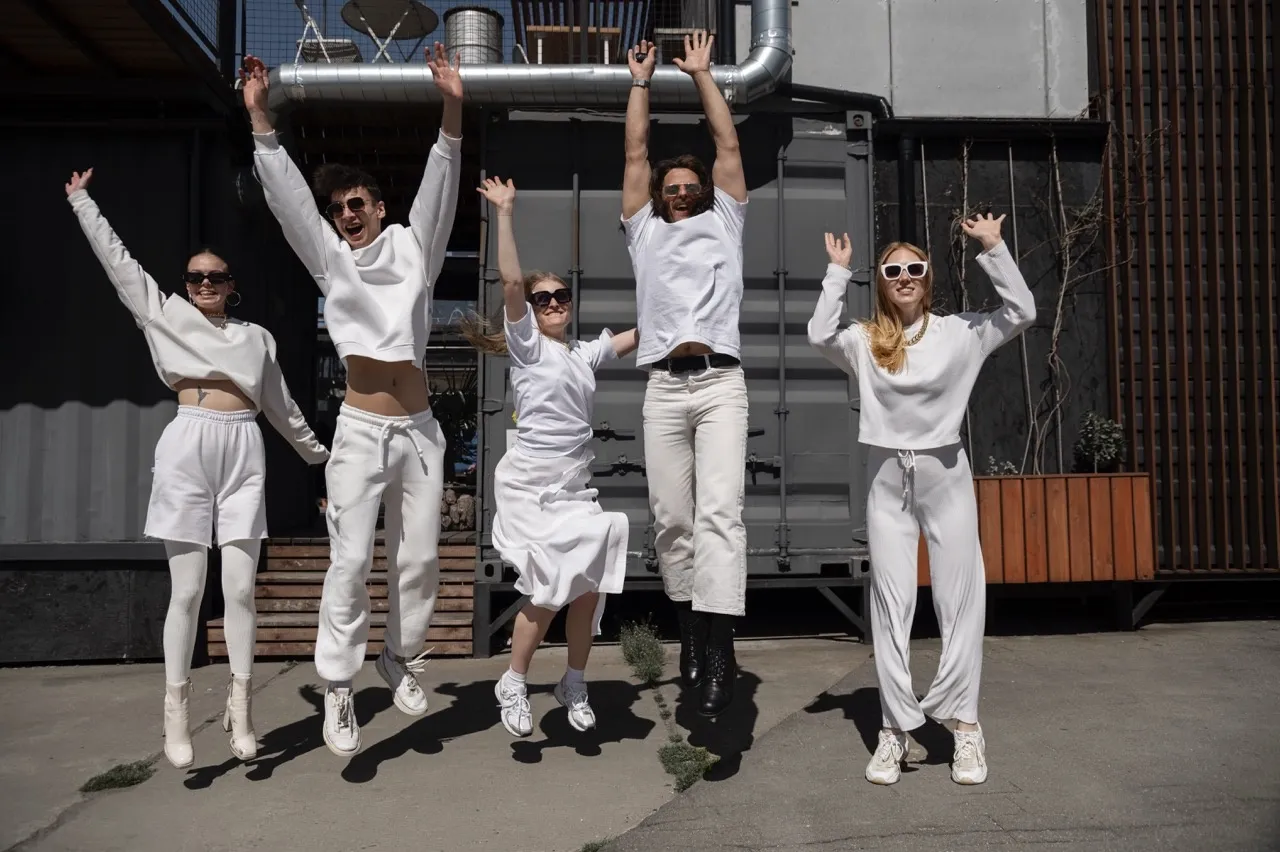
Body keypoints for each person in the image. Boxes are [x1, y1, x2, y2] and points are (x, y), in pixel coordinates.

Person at [65, 168, 330, 769]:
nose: (205, 283)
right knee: (187, 590)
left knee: (239, 589)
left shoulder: (257, 338)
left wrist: (322, 457)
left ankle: (242, 708)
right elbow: (119, 262)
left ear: (231, 285)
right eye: (195, 277)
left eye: (215, 276)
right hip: (188, 443)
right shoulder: (163, 314)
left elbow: (281, 406)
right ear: (185, 285)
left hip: (243, 448)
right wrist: (83, 203)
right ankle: (176, 712)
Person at [240, 45, 464, 757]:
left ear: (379, 207)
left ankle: (399, 656)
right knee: (349, 562)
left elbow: (441, 185)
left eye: (356, 204)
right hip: (363, 429)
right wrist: (261, 120)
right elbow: (288, 204)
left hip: (420, 432)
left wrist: (452, 106)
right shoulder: (331, 258)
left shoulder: (415, 249)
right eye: (338, 209)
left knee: (419, 560)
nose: (346, 215)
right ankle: (339, 686)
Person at [806, 215, 1036, 786]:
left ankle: (966, 726)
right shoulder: (865, 340)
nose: (904, 276)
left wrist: (993, 247)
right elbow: (819, 334)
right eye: (893, 271)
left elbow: (1022, 312)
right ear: (883, 283)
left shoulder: (961, 332)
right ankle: (893, 729)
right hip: (887, 480)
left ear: (927, 277)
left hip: (946, 476)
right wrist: (837, 274)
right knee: (890, 605)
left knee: (961, 601)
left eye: (914, 268)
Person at [461, 177, 637, 737]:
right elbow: (512, 280)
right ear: (531, 311)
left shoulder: (581, 354)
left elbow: (638, 335)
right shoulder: (528, 348)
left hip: (573, 488)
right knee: (547, 586)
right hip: (531, 488)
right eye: (544, 299)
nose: (555, 303)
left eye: (562, 296)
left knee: (588, 587)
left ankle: (573, 683)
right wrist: (505, 213)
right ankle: (513, 681)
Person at [622, 31, 750, 717]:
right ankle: (691, 632)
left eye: (687, 187)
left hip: (721, 383)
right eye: (670, 189)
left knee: (720, 515)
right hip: (665, 388)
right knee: (672, 519)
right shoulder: (643, 230)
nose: (678, 193)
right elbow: (634, 154)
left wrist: (702, 75)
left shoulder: (726, 219)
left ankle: (720, 652)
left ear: (704, 192)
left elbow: (727, 146)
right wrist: (640, 83)